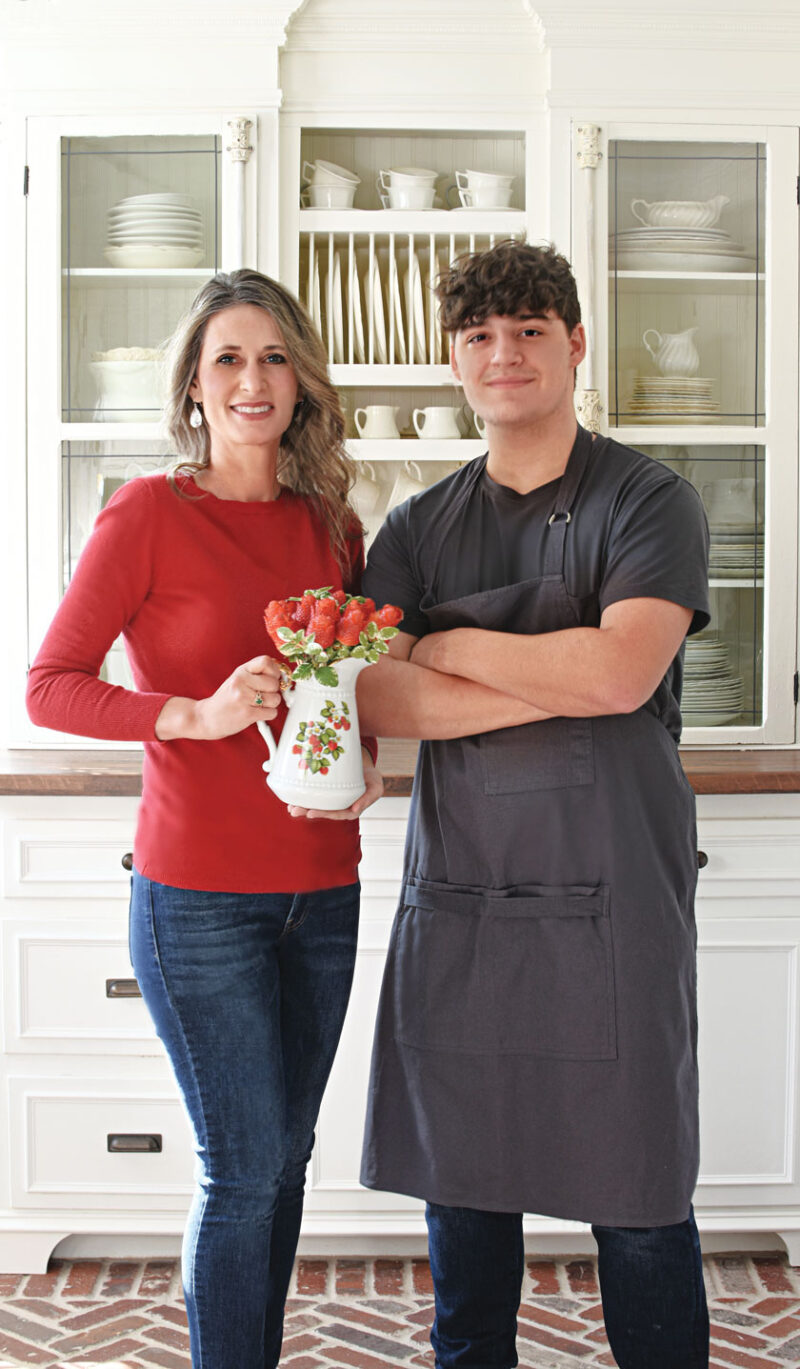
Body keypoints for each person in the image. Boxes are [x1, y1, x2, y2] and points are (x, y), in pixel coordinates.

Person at [355, 240, 711, 1369]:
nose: (502, 354)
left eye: (527, 331)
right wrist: (542, 673)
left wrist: (451, 642)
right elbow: (374, 692)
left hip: (613, 901)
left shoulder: (648, 498)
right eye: (478, 336)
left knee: (638, 1189)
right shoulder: (414, 526)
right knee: (463, 1186)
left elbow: (619, 677)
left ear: (573, 343)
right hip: (467, 896)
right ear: (452, 360)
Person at [26, 269, 382, 1369]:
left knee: (287, 1157)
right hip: (196, 899)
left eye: (273, 356)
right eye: (227, 358)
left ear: (302, 380)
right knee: (241, 1164)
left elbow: (348, 683)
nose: (252, 379)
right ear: (192, 384)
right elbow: (50, 683)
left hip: (322, 888)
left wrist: (367, 755)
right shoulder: (147, 513)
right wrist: (188, 709)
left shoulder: (331, 524)